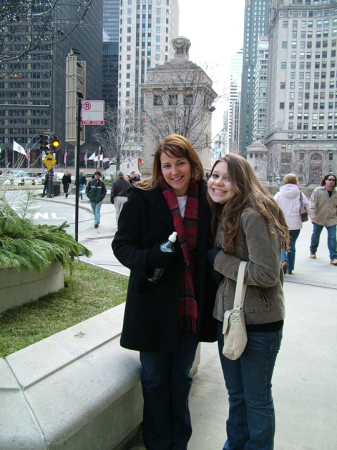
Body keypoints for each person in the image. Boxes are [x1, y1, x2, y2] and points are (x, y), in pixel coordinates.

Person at [112, 134, 217, 450]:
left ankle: (179, 442)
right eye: (167, 165)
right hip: (153, 306)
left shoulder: (208, 199)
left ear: (191, 164)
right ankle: (158, 443)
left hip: (190, 306)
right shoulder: (143, 197)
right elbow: (122, 245)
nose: (175, 172)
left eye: (180, 163)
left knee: (181, 379)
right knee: (155, 380)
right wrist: (151, 256)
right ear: (159, 167)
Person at [207, 154, 288, 450]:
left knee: (256, 400)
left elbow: (267, 273)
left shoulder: (252, 214)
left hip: (259, 323)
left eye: (227, 177)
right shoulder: (227, 210)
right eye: (215, 175)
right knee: (237, 396)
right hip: (229, 317)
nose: (218, 182)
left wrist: (219, 261)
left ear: (242, 181)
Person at [274, 173, 309, 274]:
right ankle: (290, 268)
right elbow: (307, 205)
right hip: (296, 223)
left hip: (282, 223)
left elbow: (273, 207)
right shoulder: (300, 194)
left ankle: (283, 260)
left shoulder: (279, 194)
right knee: (292, 245)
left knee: (281, 243)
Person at [308, 173, 337, 265]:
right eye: (330, 180)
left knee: (332, 237)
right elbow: (312, 204)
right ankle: (313, 251)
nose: (332, 182)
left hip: (331, 218)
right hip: (319, 217)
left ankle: (333, 257)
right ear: (325, 180)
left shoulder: (336, 192)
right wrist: (312, 215)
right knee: (316, 235)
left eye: (333, 180)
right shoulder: (318, 191)